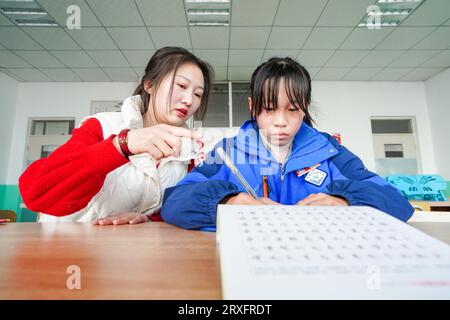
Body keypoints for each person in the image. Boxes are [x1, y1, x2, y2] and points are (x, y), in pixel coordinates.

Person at [160, 57, 414, 230]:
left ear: (304, 109)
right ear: (252, 107)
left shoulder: (331, 153)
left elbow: (397, 202)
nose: (280, 122)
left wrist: (346, 202)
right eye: (269, 109)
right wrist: (226, 202)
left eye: (292, 109)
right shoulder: (227, 152)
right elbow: (174, 202)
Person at [19, 47, 213, 225]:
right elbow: (35, 194)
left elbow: (180, 209)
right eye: (181, 85)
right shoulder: (102, 126)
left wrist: (149, 219)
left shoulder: (189, 154)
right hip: (67, 251)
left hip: (129, 256)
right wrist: (122, 145)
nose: (188, 100)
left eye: (197, 94)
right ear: (149, 85)